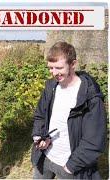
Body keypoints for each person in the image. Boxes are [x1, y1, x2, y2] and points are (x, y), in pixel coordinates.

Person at [31, 41, 107, 179]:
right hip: (45, 157)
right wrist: (39, 136)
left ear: (73, 64)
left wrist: (71, 166)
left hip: (71, 166)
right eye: (51, 68)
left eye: (59, 68)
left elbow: (94, 139)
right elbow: (40, 115)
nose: (54, 73)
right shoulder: (51, 87)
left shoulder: (91, 96)